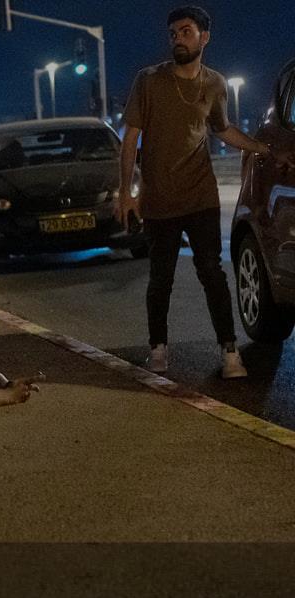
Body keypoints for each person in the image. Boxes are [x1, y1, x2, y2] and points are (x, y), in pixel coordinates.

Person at [115, 5, 295, 379]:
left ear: (204, 37)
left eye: (185, 32)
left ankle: (230, 352)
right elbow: (131, 138)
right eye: (173, 34)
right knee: (160, 279)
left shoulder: (215, 84)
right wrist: (125, 193)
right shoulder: (148, 81)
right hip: (159, 200)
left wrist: (263, 149)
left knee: (212, 273)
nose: (177, 39)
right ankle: (158, 349)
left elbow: (222, 129)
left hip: (201, 196)